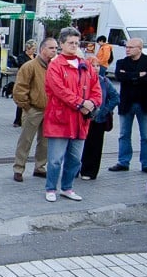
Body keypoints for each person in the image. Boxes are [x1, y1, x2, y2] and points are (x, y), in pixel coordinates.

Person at [42, 27, 102, 202]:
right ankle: (51, 187)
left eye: (76, 43)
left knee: (75, 159)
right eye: (70, 43)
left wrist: (92, 103)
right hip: (60, 119)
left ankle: (67, 187)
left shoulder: (86, 65)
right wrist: (81, 103)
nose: (74, 46)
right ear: (61, 44)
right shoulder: (55, 65)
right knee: (55, 159)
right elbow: (59, 90)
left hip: (80, 120)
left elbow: (96, 88)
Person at [109, 38, 147, 174]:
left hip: (144, 103)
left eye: (131, 47)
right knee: (124, 134)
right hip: (126, 103)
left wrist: (129, 76)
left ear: (140, 48)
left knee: (146, 136)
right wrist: (138, 75)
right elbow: (119, 76)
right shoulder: (121, 62)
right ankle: (123, 162)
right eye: (127, 47)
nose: (127, 49)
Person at [12, 37, 55, 182]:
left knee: (45, 142)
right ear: (42, 49)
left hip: (49, 109)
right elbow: (19, 88)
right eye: (51, 48)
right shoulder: (30, 66)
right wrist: (27, 106)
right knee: (26, 140)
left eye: (56, 48)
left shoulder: (54, 66)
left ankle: (40, 167)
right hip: (33, 109)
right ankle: (18, 168)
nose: (54, 51)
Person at [79, 66, 120, 180]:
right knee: (79, 145)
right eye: (92, 66)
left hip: (98, 120)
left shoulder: (104, 81)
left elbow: (115, 98)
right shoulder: (82, 79)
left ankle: (89, 171)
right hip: (83, 118)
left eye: (97, 66)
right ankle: (75, 169)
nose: (95, 68)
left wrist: (104, 111)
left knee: (95, 146)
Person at [11, 39, 38, 126]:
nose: (34, 51)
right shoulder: (22, 56)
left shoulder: (36, 56)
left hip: (34, 81)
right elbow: (22, 66)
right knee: (22, 99)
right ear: (27, 48)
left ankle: (28, 119)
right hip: (24, 80)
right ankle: (17, 120)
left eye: (35, 49)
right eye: (33, 49)